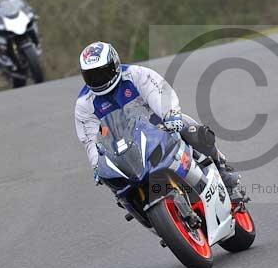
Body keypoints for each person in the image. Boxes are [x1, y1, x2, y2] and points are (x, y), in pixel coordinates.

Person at [74, 41, 244, 201]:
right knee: (114, 182)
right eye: (91, 76)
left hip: (157, 128)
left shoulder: (136, 75)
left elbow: (160, 94)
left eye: (102, 73)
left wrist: (171, 116)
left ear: (115, 65)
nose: (98, 80)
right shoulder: (84, 104)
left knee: (193, 130)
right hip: (123, 148)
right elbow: (90, 139)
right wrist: (97, 165)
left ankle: (223, 171)